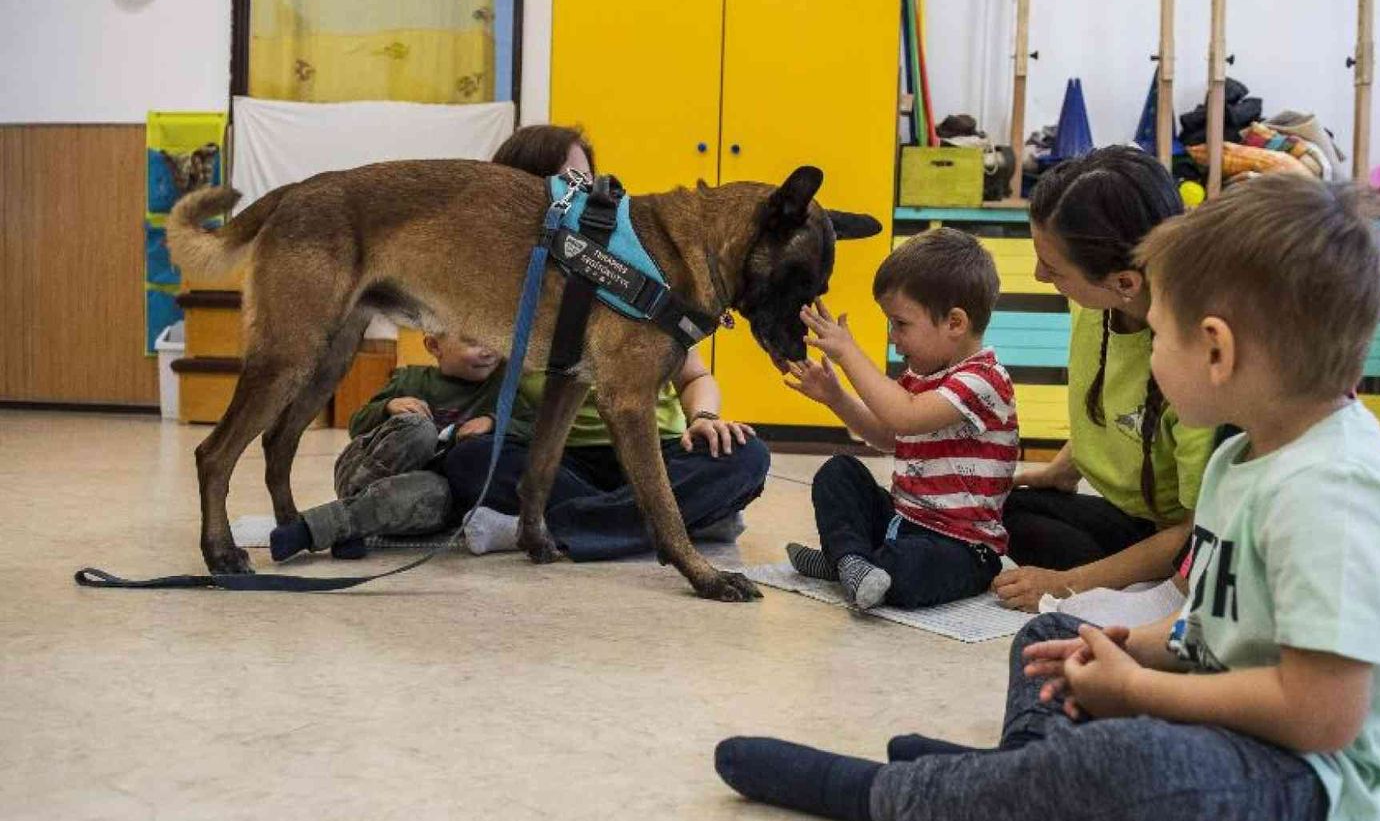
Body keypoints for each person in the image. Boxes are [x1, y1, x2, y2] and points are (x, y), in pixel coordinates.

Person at [713, 175, 1380, 821]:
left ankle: (900, 798)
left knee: (1132, 765)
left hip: (1325, 797)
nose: (1148, 354)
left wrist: (1137, 690)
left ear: (1216, 349)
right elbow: (1214, 625)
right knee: (1049, 635)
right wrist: (1130, 648)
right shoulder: (1247, 456)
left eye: (1159, 335)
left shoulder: (1338, 493)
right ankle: (1027, 783)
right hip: (1252, 732)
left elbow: (1319, 716)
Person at [442, 124, 770, 560]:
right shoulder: (508, 290)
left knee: (746, 458)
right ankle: (684, 522)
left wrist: (705, 417)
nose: (581, 195)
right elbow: (464, 367)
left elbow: (697, 376)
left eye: (586, 182)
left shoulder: (632, 273)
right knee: (470, 460)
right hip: (563, 464)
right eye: (567, 184)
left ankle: (549, 526)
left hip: (657, 456)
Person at [996, 145, 1215, 611]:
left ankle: (1140, 582)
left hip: (1179, 535)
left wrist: (1067, 583)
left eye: (1053, 269)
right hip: (1130, 514)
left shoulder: (1192, 367)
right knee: (999, 506)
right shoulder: (1101, 303)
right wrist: (1062, 469)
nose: (1039, 275)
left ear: (1124, 283)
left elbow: (1201, 533)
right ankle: (1131, 576)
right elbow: (1122, 405)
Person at [781, 228, 1017, 610]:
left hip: (961, 545)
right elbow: (889, 435)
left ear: (955, 323)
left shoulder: (984, 381)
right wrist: (836, 397)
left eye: (901, 324)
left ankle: (846, 560)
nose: (893, 337)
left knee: (910, 574)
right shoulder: (919, 378)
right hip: (901, 522)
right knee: (838, 473)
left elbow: (904, 418)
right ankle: (854, 562)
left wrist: (848, 352)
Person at [268, 333, 502, 561]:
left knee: (439, 490)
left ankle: (331, 528)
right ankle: (353, 513)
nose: (488, 350)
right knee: (420, 431)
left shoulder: (505, 385)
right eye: (472, 342)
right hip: (358, 472)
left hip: (408, 499)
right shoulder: (410, 379)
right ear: (433, 346)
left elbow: (531, 427)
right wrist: (388, 406)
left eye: (495, 338)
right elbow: (356, 424)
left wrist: (494, 421)